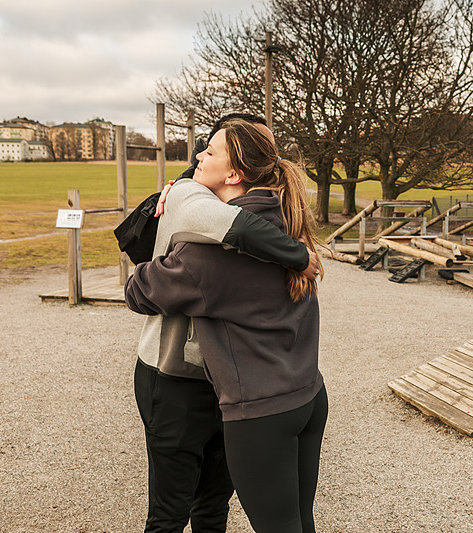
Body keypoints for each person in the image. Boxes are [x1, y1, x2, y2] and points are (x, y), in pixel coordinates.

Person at [126, 118, 327, 533]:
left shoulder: (208, 255)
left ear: (234, 174)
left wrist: (168, 241)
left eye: (210, 151)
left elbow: (139, 292)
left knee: (169, 514)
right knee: (264, 514)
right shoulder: (288, 220)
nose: (199, 156)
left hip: (243, 403)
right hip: (306, 394)